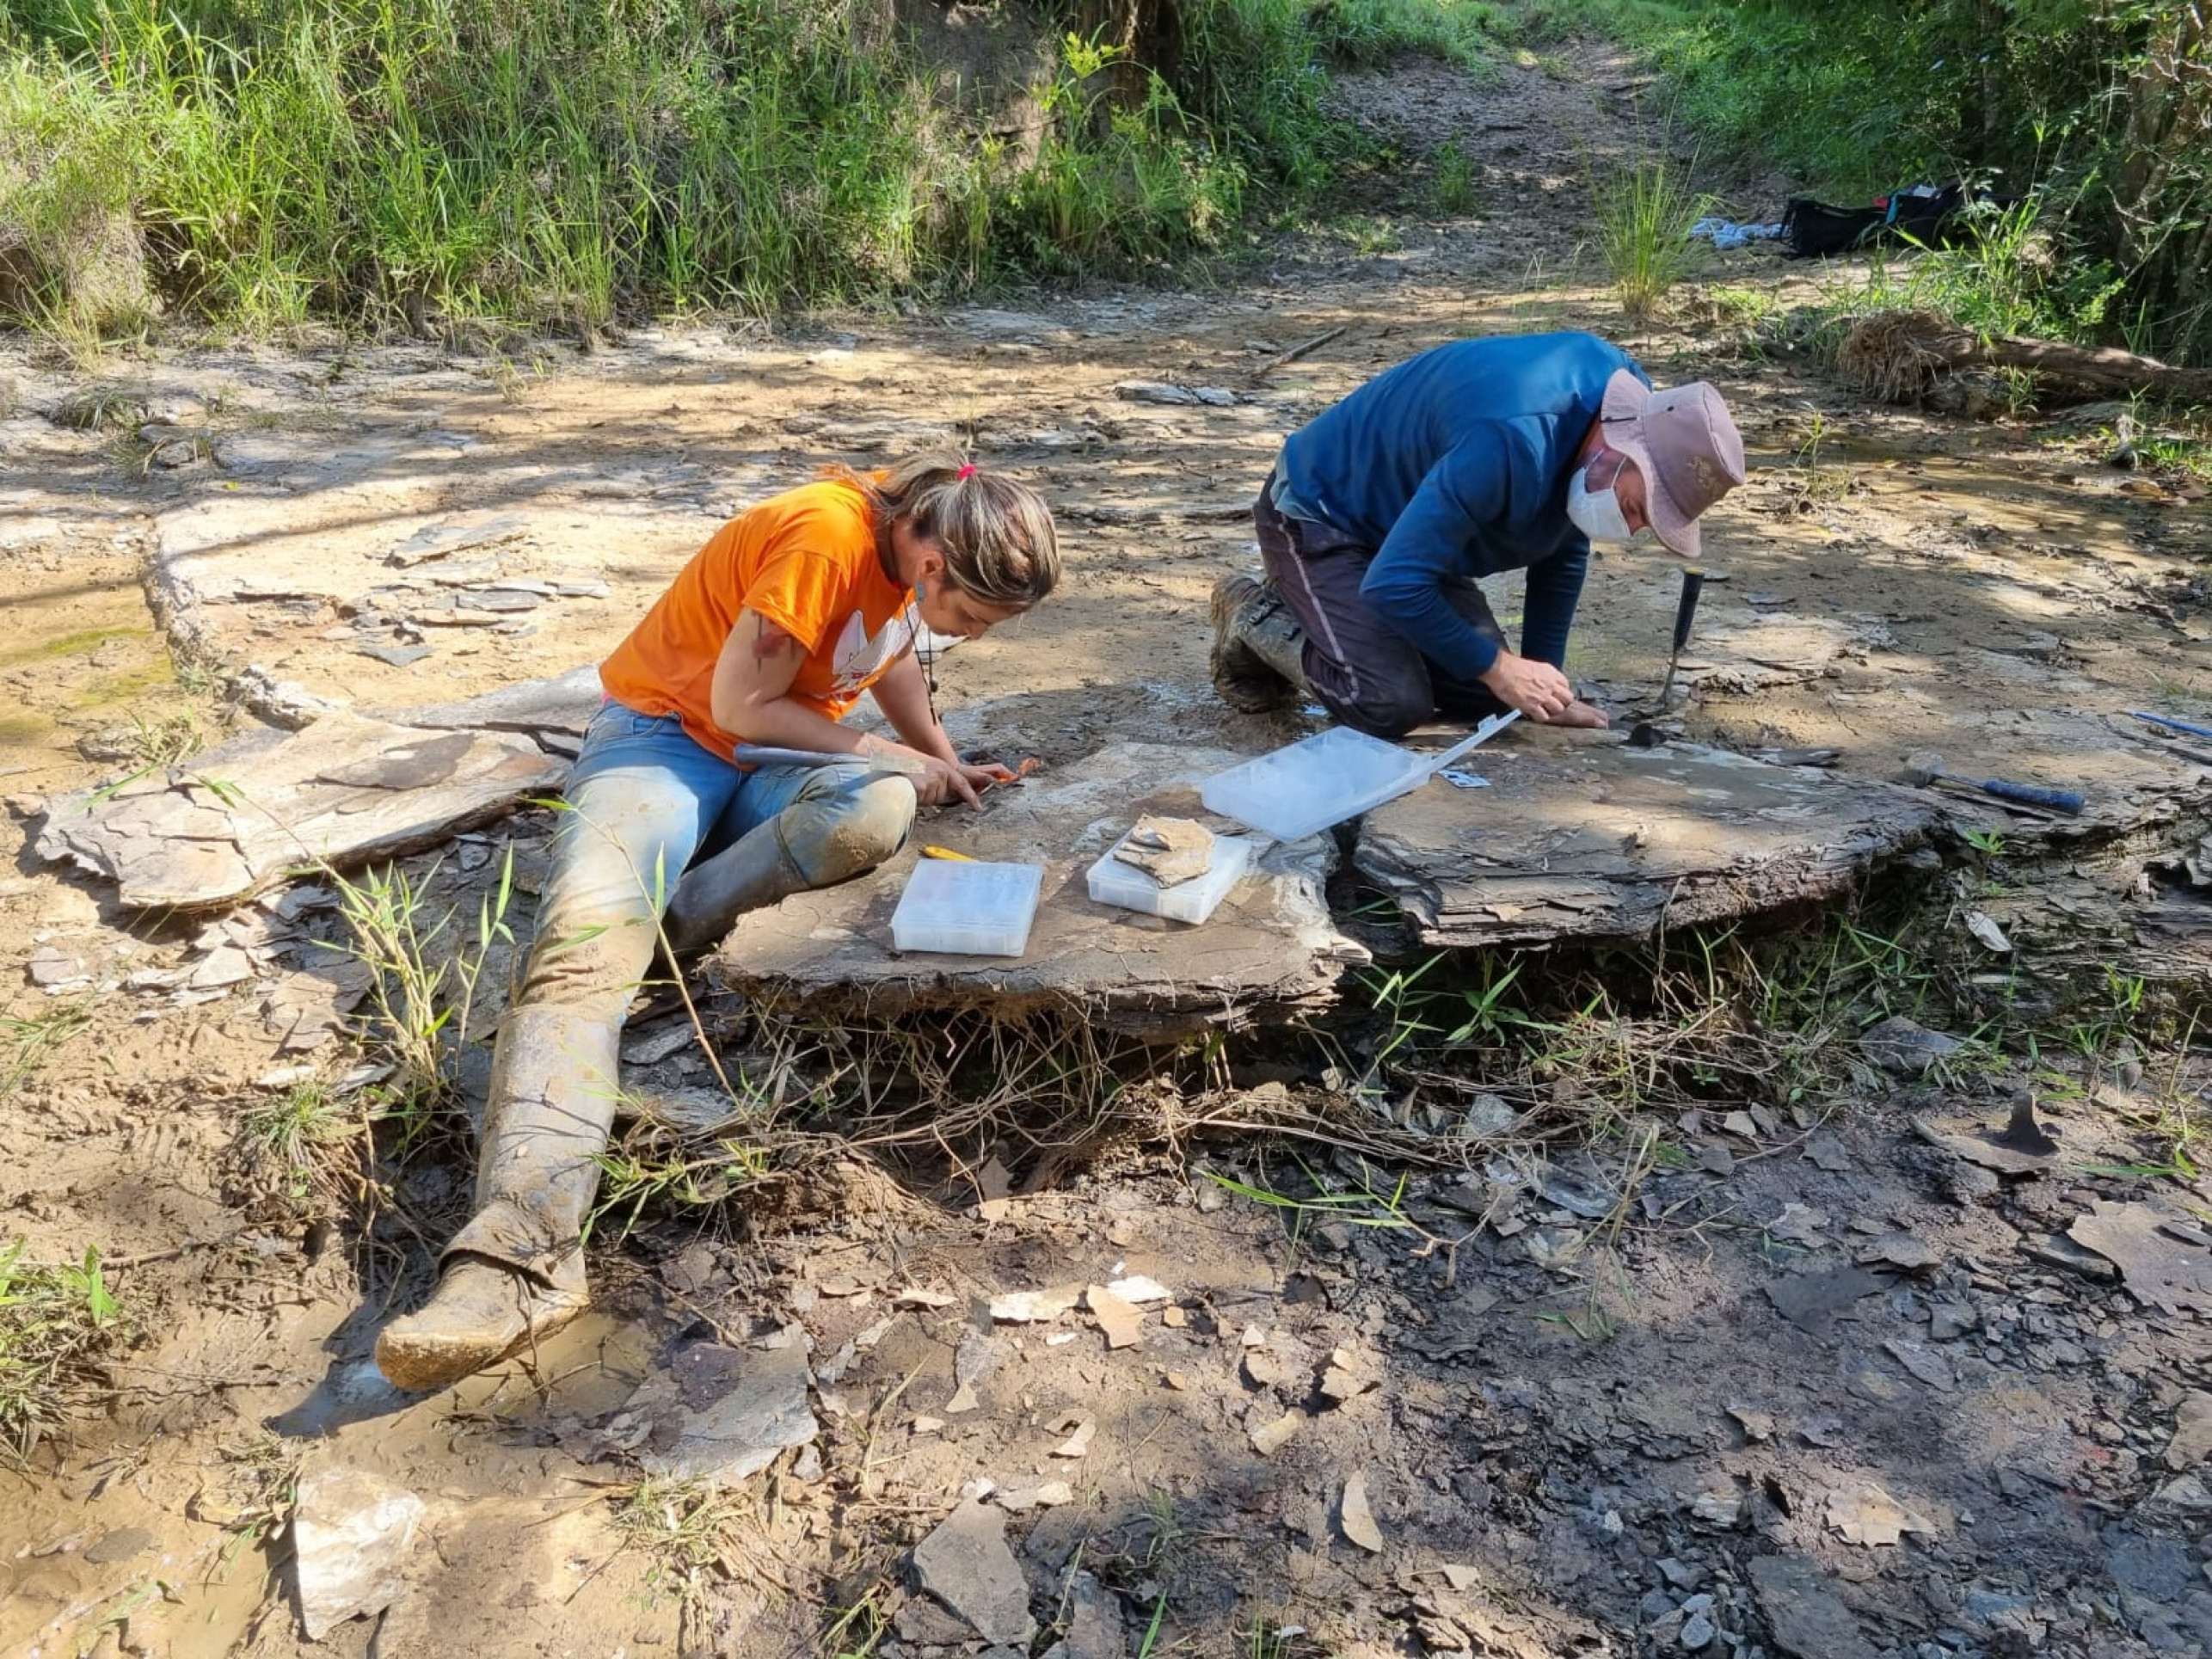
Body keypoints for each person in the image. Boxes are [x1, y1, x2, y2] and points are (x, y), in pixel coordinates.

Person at [375, 454, 1060, 1392]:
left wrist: (939, 758)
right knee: (581, 945)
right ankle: (517, 1258)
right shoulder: (825, 535)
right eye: (973, 620)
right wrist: (875, 748)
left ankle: (667, 933)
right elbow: (739, 704)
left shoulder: (909, 555)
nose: (972, 639)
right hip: (667, 739)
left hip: (769, 757)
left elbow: (891, 658)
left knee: (872, 810)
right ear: (935, 560)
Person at [1210, 331, 1745, 736]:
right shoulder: (1510, 439)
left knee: (1496, 700)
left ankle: (1335, 614)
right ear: (1620, 446)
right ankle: (1258, 614)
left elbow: (1563, 547)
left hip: (1413, 527)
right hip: (1321, 512)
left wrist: (1543, 685)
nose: (1629, 528)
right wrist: (1498, 665)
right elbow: (1394, 584)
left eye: (1644, 523)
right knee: (1388, 701)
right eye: (1635, 507)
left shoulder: (1631, 415)